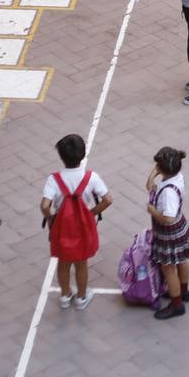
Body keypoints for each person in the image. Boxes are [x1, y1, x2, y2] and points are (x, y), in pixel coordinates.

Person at [40, 133, 112, 310]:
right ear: (83, 154)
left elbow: (44, 205)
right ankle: (81, 297)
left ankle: (65, 295)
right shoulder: (91, 177)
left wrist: (50, 218)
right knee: (81, 264)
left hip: (62, 228)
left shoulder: (54, 179)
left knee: (63, 263)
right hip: (83, 227)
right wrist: (91, 213)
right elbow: (108, 199)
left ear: (61, 156)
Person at [147, 147, 189, 321]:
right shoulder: (176, 177)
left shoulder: (168, 193)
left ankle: (176, 304)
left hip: (168, 233)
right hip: (180, 227)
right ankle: (183, 291)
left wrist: (152, 211)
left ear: (162, 168)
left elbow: (167, 218)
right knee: (182, 260)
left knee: (168, 268)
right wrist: (155, 173)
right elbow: (149, 184)